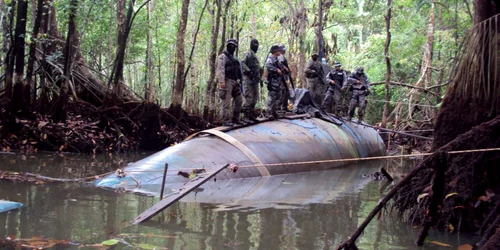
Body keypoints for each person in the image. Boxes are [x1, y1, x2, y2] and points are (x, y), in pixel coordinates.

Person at [216, 38, 243, 126]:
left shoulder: (235, 58)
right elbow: (220, 69)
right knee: (226, 102)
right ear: (227, 46)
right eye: (230, 46)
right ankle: (225, 120)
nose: (232, 47)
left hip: (235, 81)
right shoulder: (223, 57)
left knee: (239, 100)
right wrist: (221, 82)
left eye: (234, 46)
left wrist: (240, 79)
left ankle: (235, 118)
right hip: (227, 81)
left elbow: (239, 69)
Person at [240, 38, 262, 122]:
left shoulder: (255, 56)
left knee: (255, 98)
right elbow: (242, 63)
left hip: (255, 79)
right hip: (248, 79)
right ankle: (245, 116)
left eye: (257, 45)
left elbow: (257, 67)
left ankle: (250, 115)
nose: (256, 47)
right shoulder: (248, 54)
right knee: (249, 97)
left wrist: (260, 75)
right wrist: (248, 71)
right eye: (254, 45)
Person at [265, 45, 283, 119]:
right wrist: (276, 70)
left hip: (277, 81)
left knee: (278, 96)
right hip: (272, 81)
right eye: (278, 51)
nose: (280, 52)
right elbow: (268, 66)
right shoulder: (270, 59)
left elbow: (280, 66)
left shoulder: (276, 59)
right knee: (271, 97)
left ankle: (274, 112)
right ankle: (268, 113)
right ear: (275, 52)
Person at [277, 45, 292, 111]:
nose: (285, 51)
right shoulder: (280, 56)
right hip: (281, 78)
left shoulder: (282, 56)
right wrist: (285, 68)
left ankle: (284, 107)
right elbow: (280, 64)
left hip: (284, 77)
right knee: (282, 92)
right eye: (284, 49)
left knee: (285, 92)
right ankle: (279, 107)